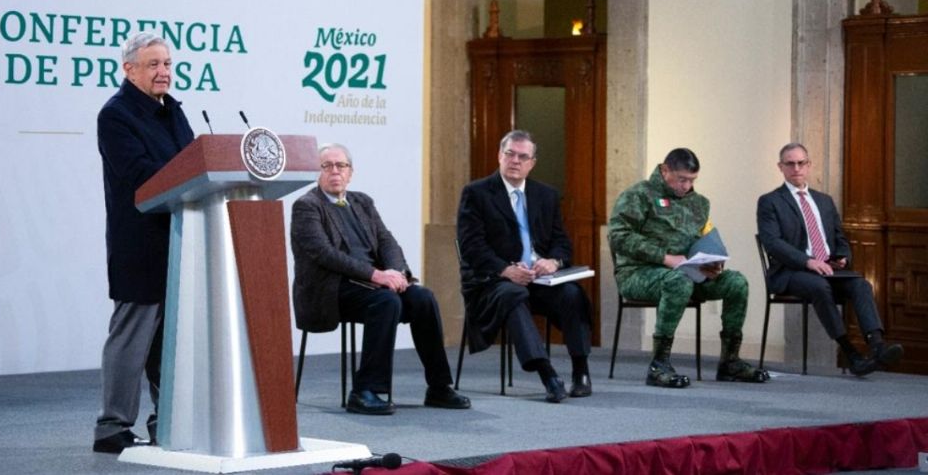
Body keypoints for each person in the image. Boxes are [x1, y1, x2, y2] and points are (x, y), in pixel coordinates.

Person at [290, 143, 470, 415]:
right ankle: (365, 391)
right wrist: (376, 275)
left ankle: (439, 387)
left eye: (341, 165)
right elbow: (325, 255)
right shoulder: (307, 206)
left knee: (422, 297)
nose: (335, 171)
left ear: (351, 172)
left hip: (373, 284)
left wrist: (397, 273)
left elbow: (387, 241)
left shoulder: (362, 201)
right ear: (318, 172)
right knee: (386, 302)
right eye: (327, 166)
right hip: (332, 290)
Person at [94, 33, 194, 453]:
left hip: (181, 241)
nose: (163, 72)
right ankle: (112, 426)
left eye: (167, 64)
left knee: (169, 342)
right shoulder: (115, 115)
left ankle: (164, 419)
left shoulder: (173, 111)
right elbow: (140, 175)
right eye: (153, 64)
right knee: (131, 339)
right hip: (139, 244)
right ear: (129, 69)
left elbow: (196, 162)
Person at [609, 148, 769, 388]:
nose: (686, 186)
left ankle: (730, 362)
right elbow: (618, 237)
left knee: (736, 282)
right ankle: (659, 364)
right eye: (681, 179)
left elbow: (705, 238)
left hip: (689, 273)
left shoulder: (700, 204)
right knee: (677, 282)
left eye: (692, 180)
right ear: (665, 170)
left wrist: (710, 262)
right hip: (638, 273)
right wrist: (665, 257)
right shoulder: (638, 195)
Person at [456, 130, 592, 403]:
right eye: (510, 154)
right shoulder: (476, 193)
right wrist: (506, 270)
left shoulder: (546, 195)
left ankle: (581, 371)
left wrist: (552, 261)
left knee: (572, 294)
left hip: (538, 280)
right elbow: (471, 247)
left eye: (522, 156)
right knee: (513, 296)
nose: (515, 161)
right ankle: (547, 374)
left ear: (532, 163)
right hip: (492, 281)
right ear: (499, 156)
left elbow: (562, 243)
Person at [756, 143, 903, 375]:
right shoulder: (770, 201)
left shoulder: (824, 201)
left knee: (861, 284)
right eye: (790, 164)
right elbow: (772, 242)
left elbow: (839, 237)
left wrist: (842, 257)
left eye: (801, 163)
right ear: (780, 167)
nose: (796, 168)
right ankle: (852, 354)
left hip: (829, 268)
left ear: (809, 165)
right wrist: (808, 261)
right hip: (791, 272)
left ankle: (877, 346)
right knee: (819, 286)